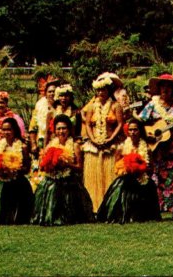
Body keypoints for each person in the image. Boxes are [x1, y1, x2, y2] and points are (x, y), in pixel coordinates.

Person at [138, 73, 173, 213]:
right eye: (163, 87)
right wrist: (149, 134)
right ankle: (158, 204)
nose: (166, 90)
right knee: (158, 174)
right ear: (159, 89)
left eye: (169, 87)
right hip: (158, 148)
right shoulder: (152, 105)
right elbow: (140, 122)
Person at [31, 114, 94, 225]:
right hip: (52, 178)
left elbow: (79, 167)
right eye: (58, 128)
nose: (61, 131)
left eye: (64, 128)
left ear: (69, 130)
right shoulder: (50, 145)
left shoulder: (75, 145)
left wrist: (67, 164)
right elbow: (43, 165)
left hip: (68, 181)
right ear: (55, 130)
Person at [96, 118, 161, 223]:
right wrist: (127, 168)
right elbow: (117, 166)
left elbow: (151, 169)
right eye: (130, 130)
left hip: (142, 179)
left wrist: (141, 169)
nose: (132, 132)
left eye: (135, 130)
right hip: (126, 180)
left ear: (140, 131)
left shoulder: (147, 149)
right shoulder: (121, 148)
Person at [81, 73, 124, 212]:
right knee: (93, 176)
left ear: (109, 91)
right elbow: (87, 124)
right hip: (94, 145)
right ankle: (94, 204)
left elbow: (120, 124)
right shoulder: (92, 107)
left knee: (110, 175)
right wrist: (93, 139)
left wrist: (110, 139)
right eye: (98, 90)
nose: (101, 93)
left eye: (103, 90)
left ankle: (110, 205)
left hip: (110, 144)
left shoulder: (115, 106)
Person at [0, 117, 34, 224]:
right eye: (4, 130)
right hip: (2, 180)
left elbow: (27, 168)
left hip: (17, 181)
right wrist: (0, 170)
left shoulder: (22, 147)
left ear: (15, 130)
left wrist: (14, 169)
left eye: (9, 129)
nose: (6, 132)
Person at [29, 78, 58, 158]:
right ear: (45, 93)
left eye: (54, 91)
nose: (52, 94)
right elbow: (32, 127)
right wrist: (34, 144)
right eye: (49, 92)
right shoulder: (39, 106)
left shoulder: (62, 106)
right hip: (41, 140)